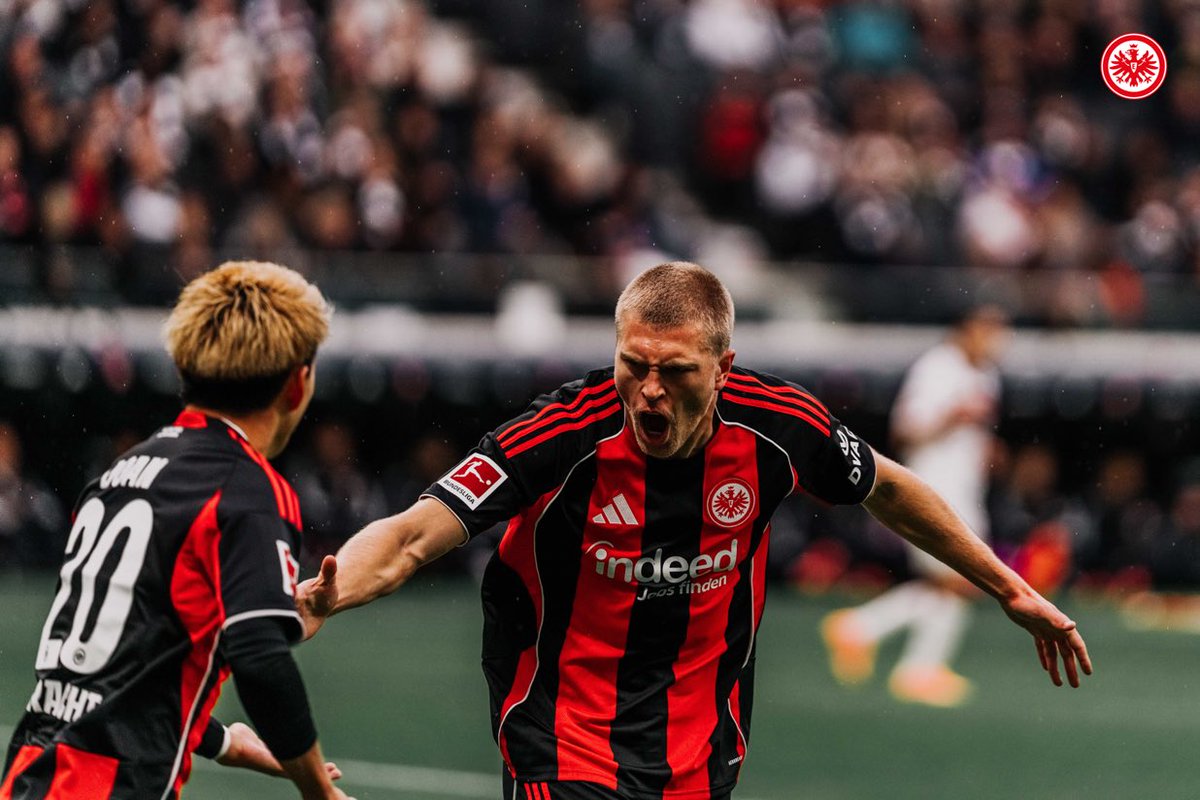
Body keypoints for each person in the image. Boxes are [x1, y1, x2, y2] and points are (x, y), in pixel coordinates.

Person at [298, 263, 1090, 800]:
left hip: (701, 739)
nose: (647, 392)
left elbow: (886, 488)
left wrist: (1009, 589)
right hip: (560, 727)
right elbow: (411, 534)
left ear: (723, 365)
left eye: (674, 372)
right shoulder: (560, 435)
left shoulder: (779, 426)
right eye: (631, 364)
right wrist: (329, 596)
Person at [1, 262, 353, 800]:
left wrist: (224, 741)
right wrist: (318, 792)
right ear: (297, 383)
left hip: (30, 778)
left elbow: (111, 672)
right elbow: (260, 660)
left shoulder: (118, 477)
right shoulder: (249, 487)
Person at [820, 305, 1010, 707]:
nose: (996, 342)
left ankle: (866, 634)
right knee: (964, 578)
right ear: (967, 329)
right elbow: (906, 430)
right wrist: (952, 416)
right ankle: (912, 664)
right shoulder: (937, 368)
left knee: (957, 582)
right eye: (989, 332)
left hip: (964, 487)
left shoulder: (985, 375)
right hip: (934, 486)